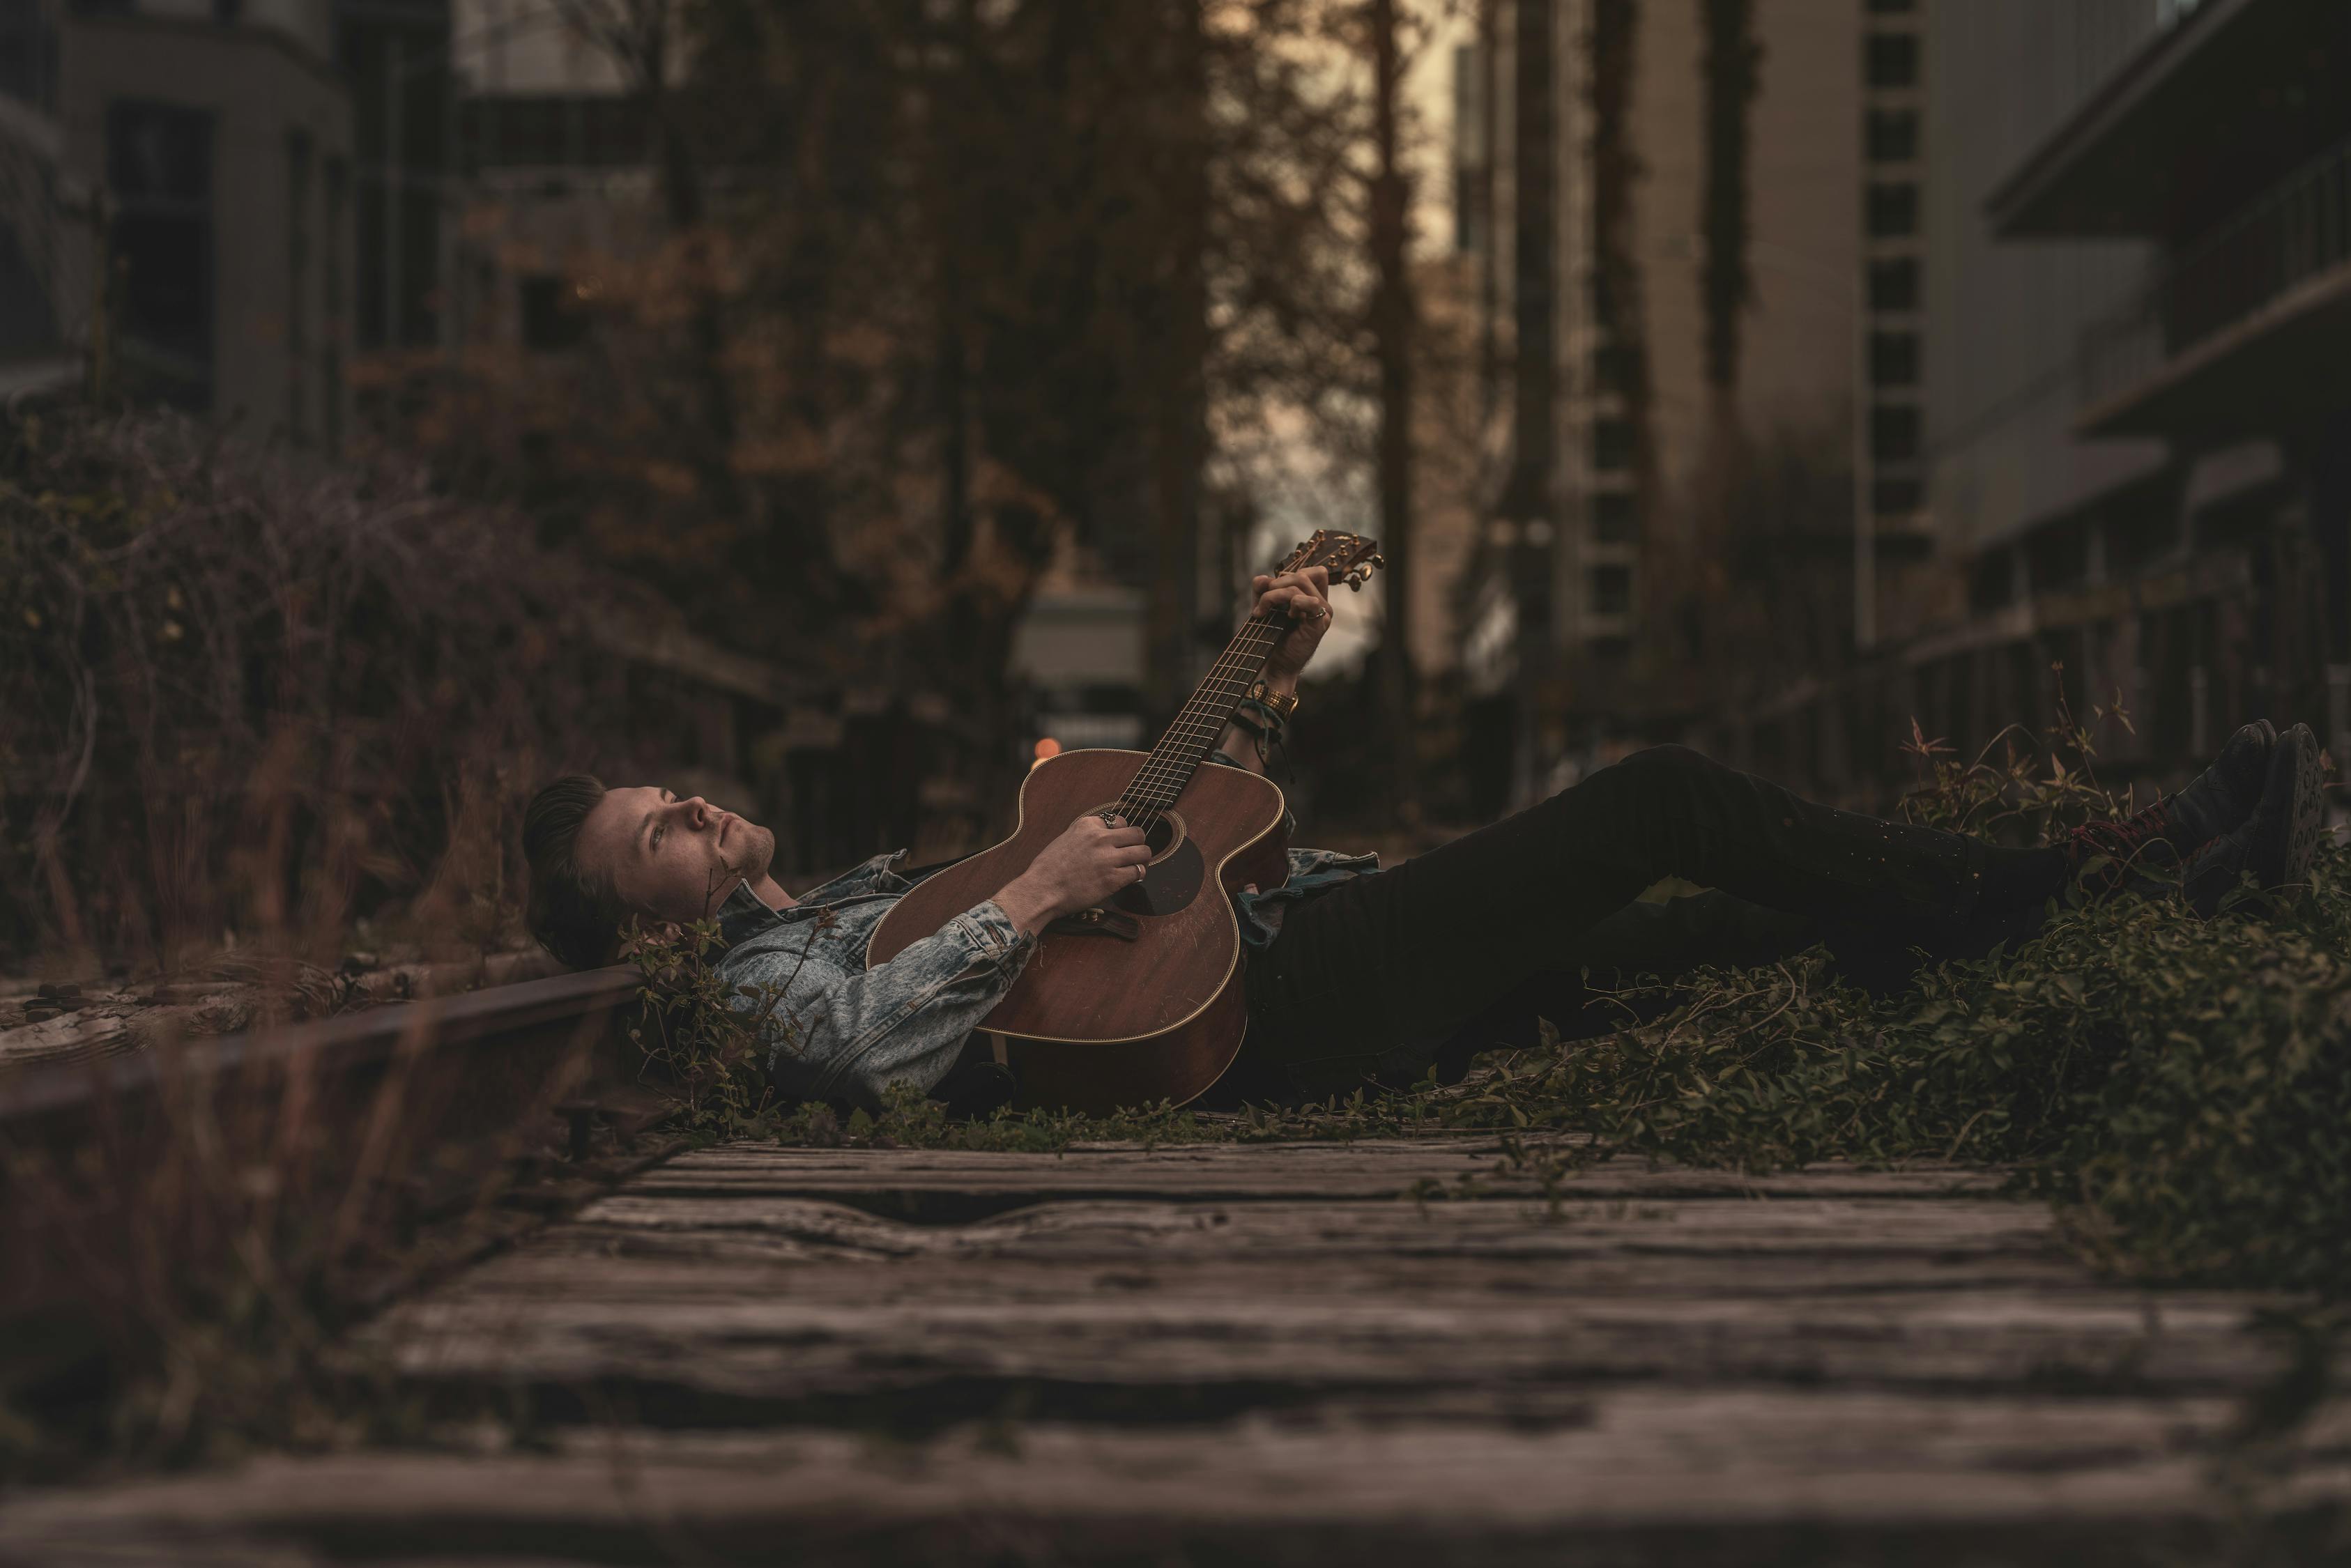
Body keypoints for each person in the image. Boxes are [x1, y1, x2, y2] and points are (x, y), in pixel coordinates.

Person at [521, 567, 2327, 1110]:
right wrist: (1057, 885)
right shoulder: (763, 985)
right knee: (1667, 801)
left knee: (1720, 940)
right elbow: (871, 1042)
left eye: (666, 791)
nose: (684, 810)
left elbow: (1123, 859)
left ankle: (2142, 874)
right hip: (1295, 1011)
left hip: (1317, 953)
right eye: (647, 845)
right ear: (653, 938)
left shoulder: (845, 887)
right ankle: (2119, 845)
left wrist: (1241, 696)